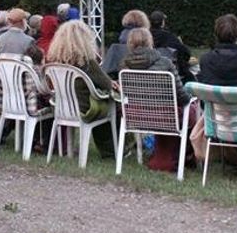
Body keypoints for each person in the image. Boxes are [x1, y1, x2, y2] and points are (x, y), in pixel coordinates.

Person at [119, 27, 190, 173]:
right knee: (192, 111)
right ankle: (184, 158)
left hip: (135, 116)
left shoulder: (123, 66)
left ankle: (166, 156)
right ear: (150, 41)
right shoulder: (165, 63)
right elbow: (182, 97)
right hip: (166, 116)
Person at [46, 20, 115, 160]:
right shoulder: (88, 63)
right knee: (112, 106)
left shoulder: (53, 61)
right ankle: (112, 151)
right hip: (85, 109)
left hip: (61, 107)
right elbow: (106, 84)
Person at [148, 10, 193, 76]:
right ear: (162, 22)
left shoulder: (145, 35)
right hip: (170, 72)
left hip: (151, 71)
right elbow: (185, 52)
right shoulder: (167, 36)